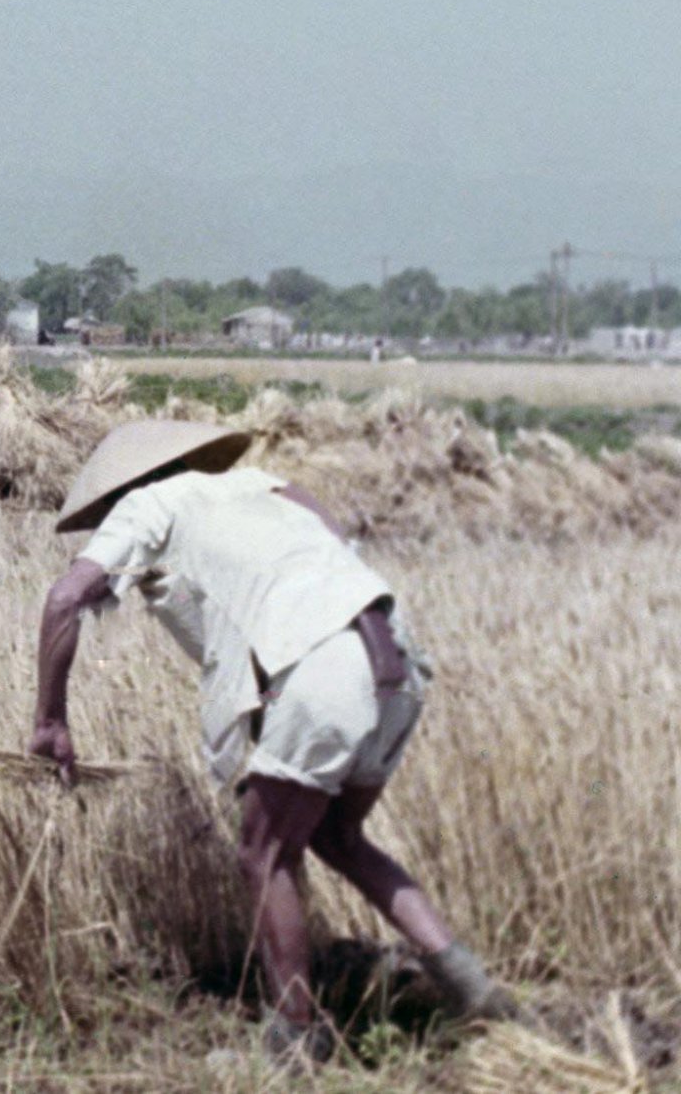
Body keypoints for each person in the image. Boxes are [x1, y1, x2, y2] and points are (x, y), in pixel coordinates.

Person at [28, 419, 516, 1065]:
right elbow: (329, 555)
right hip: (394, 658)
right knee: (337, 836)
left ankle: (293, 1038)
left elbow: (66, 598)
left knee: (264, 853)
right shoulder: (267, 488)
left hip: (321, 667)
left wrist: (50, 719)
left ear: (123, 490)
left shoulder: (146, 506)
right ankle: (472, 988)